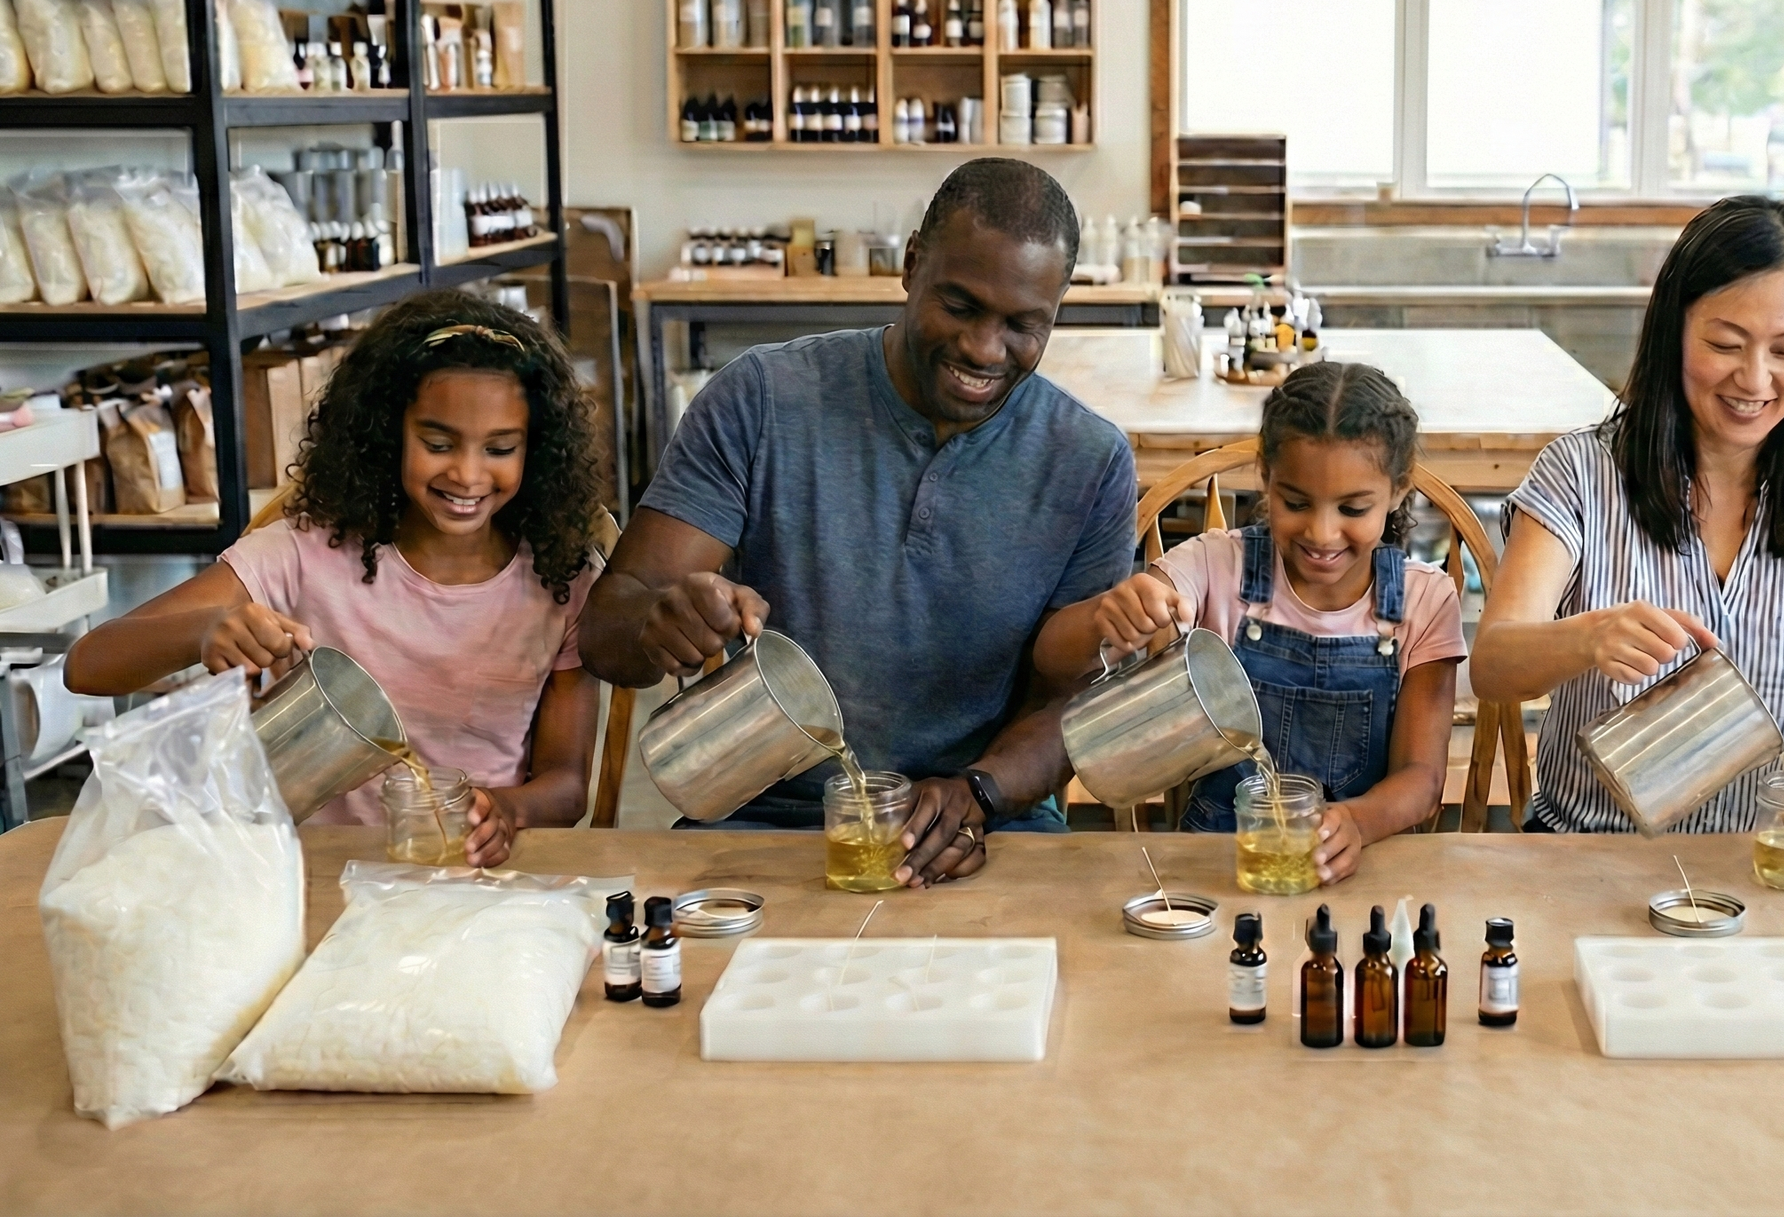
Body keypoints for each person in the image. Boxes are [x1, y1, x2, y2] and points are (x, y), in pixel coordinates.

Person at [580, 158, 1133, 885]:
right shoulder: (763, 400)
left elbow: (1076, 703)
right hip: (768, 824)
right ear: (911, 264)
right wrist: (660, 621)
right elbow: (606, 633)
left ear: (1056, 310)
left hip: (985, 830)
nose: (982, 348)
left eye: (1022, 325)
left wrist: (980, 792)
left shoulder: (1089, 460)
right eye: (960, 306)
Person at [64, 293, 609, 865]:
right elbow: (87, 665)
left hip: (469, 876)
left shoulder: (560, 582)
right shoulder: (303, 555)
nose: (468, 474)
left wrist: (509, 809)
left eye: (500, 448)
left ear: (536, 450)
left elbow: (566, 786)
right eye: (437, 444)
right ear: (388, 432)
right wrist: (204, 629)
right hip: (305, 872)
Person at [1470, 195, 1784, 881]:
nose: (1754, 379)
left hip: (1754, 868)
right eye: (1725, 345)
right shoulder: (1581, 473)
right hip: (1584, 856)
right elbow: (1493, 663)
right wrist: (1586, 639)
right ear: (1674, 330)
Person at [1035, 363, 1465, 883]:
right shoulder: (1215, 566)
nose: (1322, 533)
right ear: (1266, 476)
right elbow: (1050, 659)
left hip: (1357, 869)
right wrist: (1106, 615)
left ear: (1397, 490)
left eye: (1352, 509)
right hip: (1212, 868)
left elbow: (1422, 778)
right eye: (1295, 503)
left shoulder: (1423, 600)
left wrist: (1358, 821)